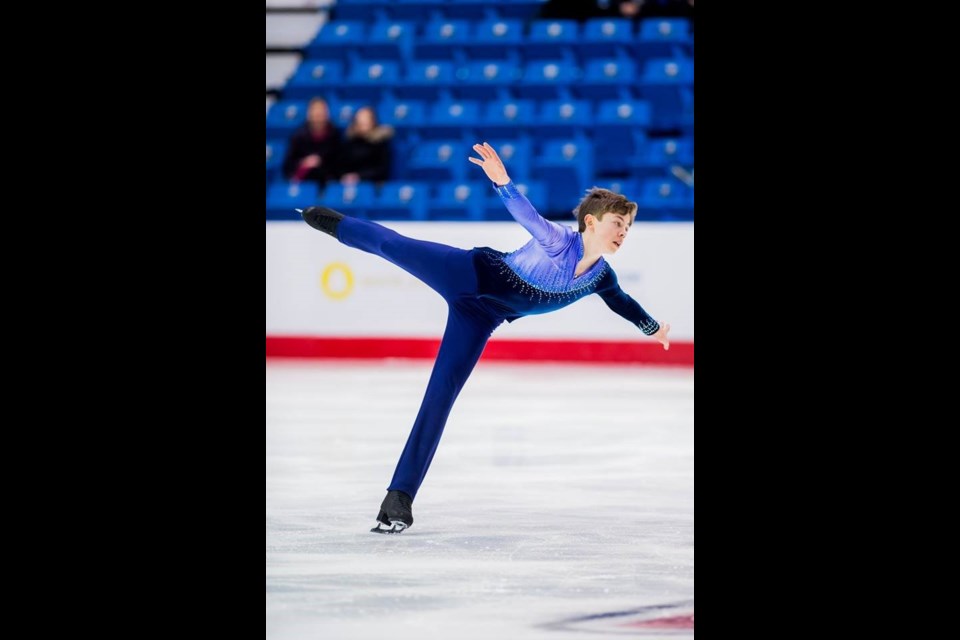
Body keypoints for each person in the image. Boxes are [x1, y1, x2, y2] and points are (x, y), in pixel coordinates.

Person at [298, 142, 670, 534]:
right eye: (618, 223)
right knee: (394, 246)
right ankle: (335, 223)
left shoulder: (601, 276)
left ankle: (399, 498)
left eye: (628, 228)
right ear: (591, 222)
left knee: (440, 396)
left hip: (481, 316)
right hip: (464, 272)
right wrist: (504, 183)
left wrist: (652, 328)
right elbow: (528, 217)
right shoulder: (560, 241)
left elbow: (622, 303)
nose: (623, 233)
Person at [281, 96, 342, 187]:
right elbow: (288, 167)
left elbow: (340, 164)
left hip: (329, 182)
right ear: (308, 114)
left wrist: (321, 163)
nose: (318, 113)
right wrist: (304, 163)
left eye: (321, 110)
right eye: (314, 110)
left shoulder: (335, 135)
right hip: (304, 183)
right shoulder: (298, 137)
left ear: (327, 113)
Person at [337, 106, 394, 187]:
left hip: (374, 187)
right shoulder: (349, 143)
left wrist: (359, 177)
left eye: (366, 119)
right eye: (360, 119)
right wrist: (345, 177)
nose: (363, 122)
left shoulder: (381, 143)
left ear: (373, 121)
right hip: (348, 186)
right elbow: (340, 166)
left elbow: (382, 170)